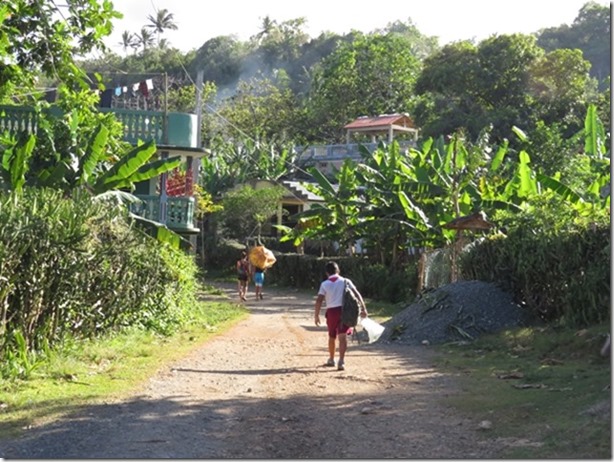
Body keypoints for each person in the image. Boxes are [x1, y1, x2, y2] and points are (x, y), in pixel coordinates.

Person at [314, 261, 367, 371]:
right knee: (342, 337)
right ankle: (341, 361)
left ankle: (331, 359)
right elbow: (357, 294)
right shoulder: (346, 281)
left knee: (332, 336)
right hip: (345, 311)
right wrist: (363, 308)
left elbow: (319, 300)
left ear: (327, 273)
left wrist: (316, 315)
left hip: (332, 312)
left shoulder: (324, 284)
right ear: (338, 270)